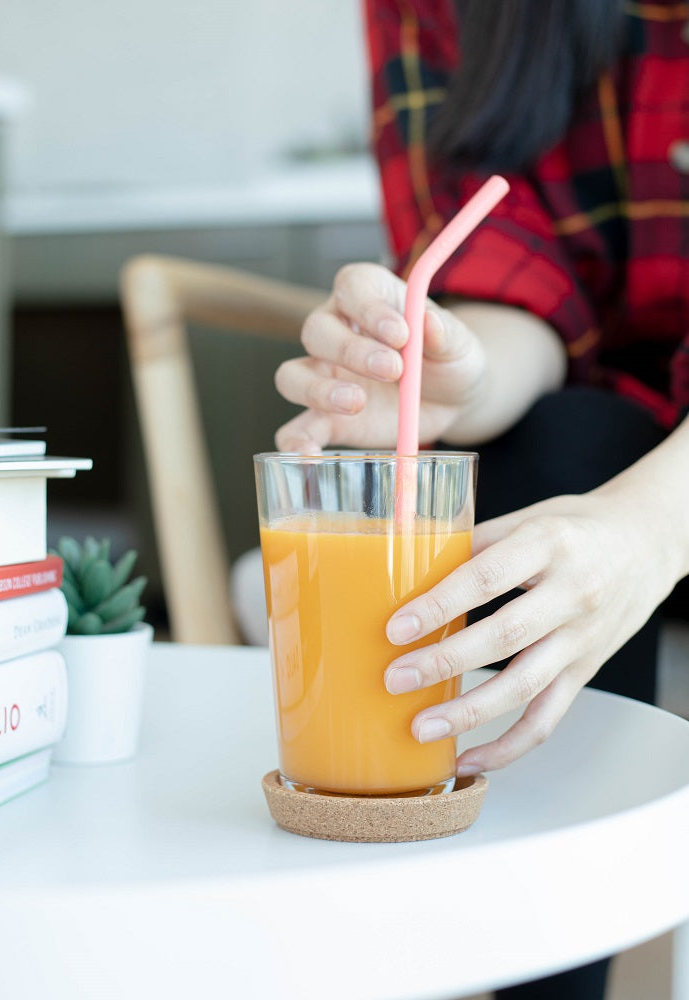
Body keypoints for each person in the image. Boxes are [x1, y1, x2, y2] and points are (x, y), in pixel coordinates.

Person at [270, 1, 689, 997]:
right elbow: (518, 278)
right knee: (568, 442)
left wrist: (648, 524)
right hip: (601, 411)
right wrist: (455, 373)